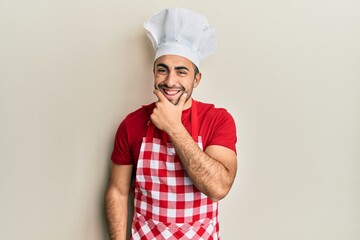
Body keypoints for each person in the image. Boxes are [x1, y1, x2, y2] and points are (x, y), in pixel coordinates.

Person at [105, 7, 237, 240]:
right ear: (154, 73)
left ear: (196, 78)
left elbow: (218, 188)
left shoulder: (218, 120)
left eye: (181, 72)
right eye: (162, 70)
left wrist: (174, 127)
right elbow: (117, 191)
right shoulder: (131, 124)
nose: (170, 81)